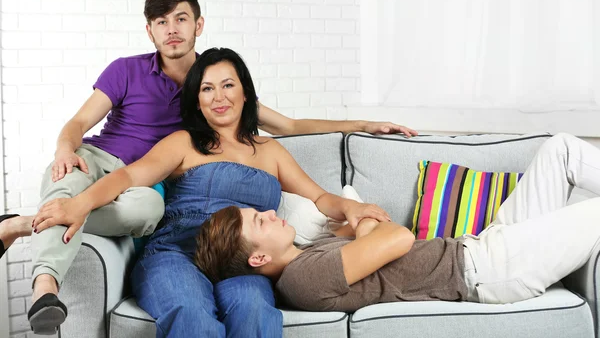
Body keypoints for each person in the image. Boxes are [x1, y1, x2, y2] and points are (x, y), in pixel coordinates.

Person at [25, 0, 416, 335]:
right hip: (175, 252)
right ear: (197, 98)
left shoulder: (270, 150)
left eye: (228, 85)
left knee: (255, 311)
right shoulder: (182, 142)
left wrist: (350, 195)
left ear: (246, 93)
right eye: (208, 89)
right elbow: (128, 179)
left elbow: (319, 196)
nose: (219, 96)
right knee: (190, 309)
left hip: (244, 262)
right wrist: (80, 203)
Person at [194, 133, 600, 312]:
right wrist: (367, 228)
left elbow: (368, 226)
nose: (269, 213)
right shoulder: (302, 279)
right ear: (258, 258)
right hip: (487, 270)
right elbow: (398, 237)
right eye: (259, 222)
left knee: (561, 149)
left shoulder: (309, 251)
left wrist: (361, 227)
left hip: (481, 244)